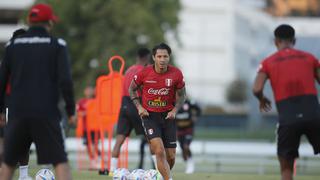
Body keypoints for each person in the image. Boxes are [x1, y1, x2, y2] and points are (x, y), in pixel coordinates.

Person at [0, 3, 75, 180]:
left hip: (18, 112)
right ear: (50, 23)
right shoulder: (57, 45)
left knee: (8, 163)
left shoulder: (13, 47)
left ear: (29, 21)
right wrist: (71, 110)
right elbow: (66, 81)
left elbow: (2, 81)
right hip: (46, 111)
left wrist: (1, 110)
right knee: (60, 161)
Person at [252, 24, 320, 180]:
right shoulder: (309, 58)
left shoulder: (268, 62)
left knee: (286, 166)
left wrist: (262, 99)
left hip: (288, 118)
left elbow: (256, 88)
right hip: (314, 114)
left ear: (276, 41)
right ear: (294, 40)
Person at [129, 43, 186, 180]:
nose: (162, 59)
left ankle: (160, 176)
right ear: (154, 57)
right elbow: (131, 89)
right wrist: (139, 107)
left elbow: (183, 95)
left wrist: (175, 110)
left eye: (165, 56)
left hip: (168, 117)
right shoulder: (144, 73)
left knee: (171, 156)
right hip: (150, 116)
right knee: (159, 151)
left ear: (169, 57)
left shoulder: (176, 74)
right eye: (159, 56)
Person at [110, 48, 152, 173]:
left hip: (124, 106)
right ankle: (159, 170)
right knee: (152, 138)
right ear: (147, 57)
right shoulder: (145, 71)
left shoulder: (128, 70)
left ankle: (112, 170)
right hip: (137, 105)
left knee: (119, 140)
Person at [0, 28, 33, 180]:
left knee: (23, 140)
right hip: (10, 104)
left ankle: (24, 175)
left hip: (25, 104)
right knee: (9, 141)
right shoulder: (10, 58)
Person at [76, 86, 100, 168]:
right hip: (85, 128)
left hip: (95, 127)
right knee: (87, 145)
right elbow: (79, 113)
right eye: (87, 90)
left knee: (94, 144)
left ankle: (97, 160)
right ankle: (93, 161)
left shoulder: (97, 101)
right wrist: (88, 112)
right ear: (85, 92)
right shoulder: (81, 102)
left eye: (90, 90)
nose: (89, 92)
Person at [175, 98, 201, 174]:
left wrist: (195, 116)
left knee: (186, 146)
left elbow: (198, 109)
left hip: (188, 129)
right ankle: (188, 162)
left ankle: (191, 164)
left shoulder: (188, 103)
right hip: (179, 130)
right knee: (183, 149)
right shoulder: (172, 104)